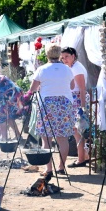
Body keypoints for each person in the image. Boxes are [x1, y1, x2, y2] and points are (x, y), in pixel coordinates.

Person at [29, 43, 75, 176]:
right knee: (63, 138)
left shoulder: (42, 69)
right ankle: (61, 167)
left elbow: (32, 89)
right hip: (64, 105)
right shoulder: (67, 69)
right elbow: (72, 86)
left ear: (47, 55)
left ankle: (48, 169)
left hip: (47, 105)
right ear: (59, 54)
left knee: (47, 139)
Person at [60, 46, 90, 168]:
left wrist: (82, 107)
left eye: (67, 56)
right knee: (76, 130)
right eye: (62, 58)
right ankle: (82, 157)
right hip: (73, 100)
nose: (64, 59)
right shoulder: (71, 67)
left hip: (78, 100)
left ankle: (81, 158)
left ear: (73, 56)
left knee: (78, 130)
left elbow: (82, 88)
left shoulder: (77, 68)